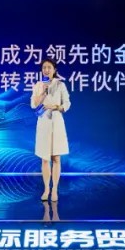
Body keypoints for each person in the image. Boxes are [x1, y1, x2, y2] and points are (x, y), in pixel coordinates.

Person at [31, 59, 71, 201]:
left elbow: (67, 103)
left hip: (57, 121)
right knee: (45, 158)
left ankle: (55, 190)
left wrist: (56, 107)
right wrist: (43, 92)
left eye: (49, 67)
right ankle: (46, 189)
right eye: (44, 67)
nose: (46, 70)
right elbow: (33, 104)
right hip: (43, 122)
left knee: (56, 158)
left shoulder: (60, 85)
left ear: (54, 70)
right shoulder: (38, 85)